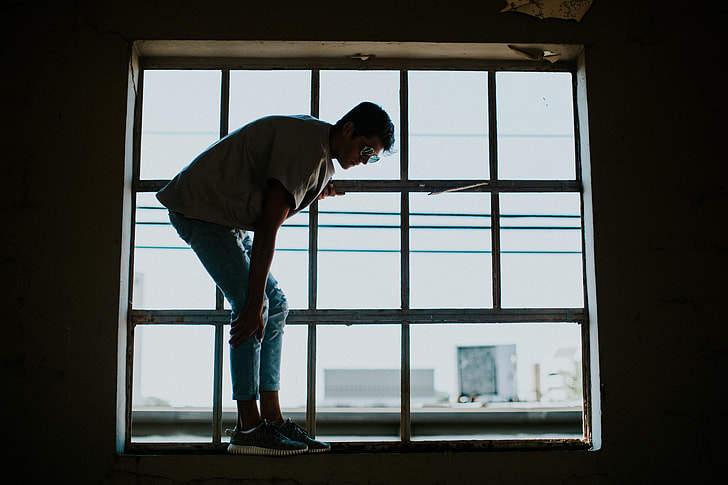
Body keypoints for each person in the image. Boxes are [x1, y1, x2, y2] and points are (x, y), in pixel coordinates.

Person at [156, 102, 395, 455]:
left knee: (276, 304)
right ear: (348, 128)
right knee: (252, 303)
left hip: (227, 217)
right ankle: (248, 427)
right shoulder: (308, 151)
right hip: (202, 210)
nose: (364, 160)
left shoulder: (319, 153)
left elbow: (293, 180)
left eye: (371, 158)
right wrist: (253, 303)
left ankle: (273, 420)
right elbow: (268, 229)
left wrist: (319, 187)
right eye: (364, 150)